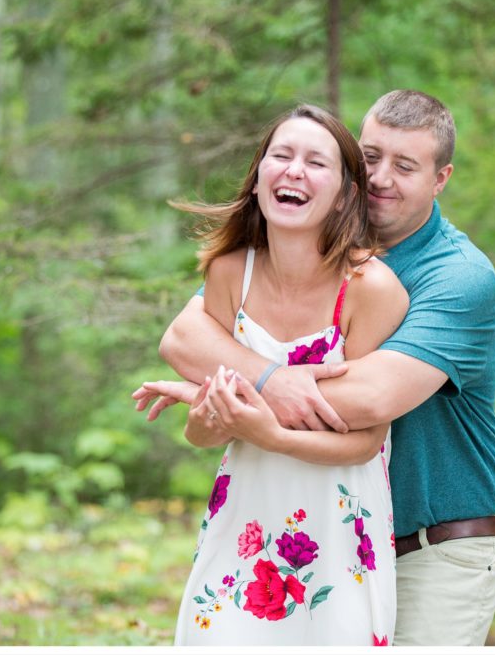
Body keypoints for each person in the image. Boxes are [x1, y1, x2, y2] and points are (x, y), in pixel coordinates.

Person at [135, 90, 495, 646]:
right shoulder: (308, 243)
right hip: (317, 533)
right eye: (371, 157)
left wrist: (228, 395)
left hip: (435, 545)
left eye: (405, 166)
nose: (382, 178)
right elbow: (187, 335)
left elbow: (367, 400)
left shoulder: (457, 277)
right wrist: (266, 379)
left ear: (441, 179)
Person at [141, 104, 409, 645]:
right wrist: (209, 405)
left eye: (316, 163)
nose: (293, 171)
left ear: (345, 193)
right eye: (281, 156)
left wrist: (267, 431)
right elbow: (201, 434)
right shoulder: (226, 272)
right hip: (243, 524)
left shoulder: (370, 289)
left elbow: (366, 443)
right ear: (259, 177)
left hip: (336, 534)